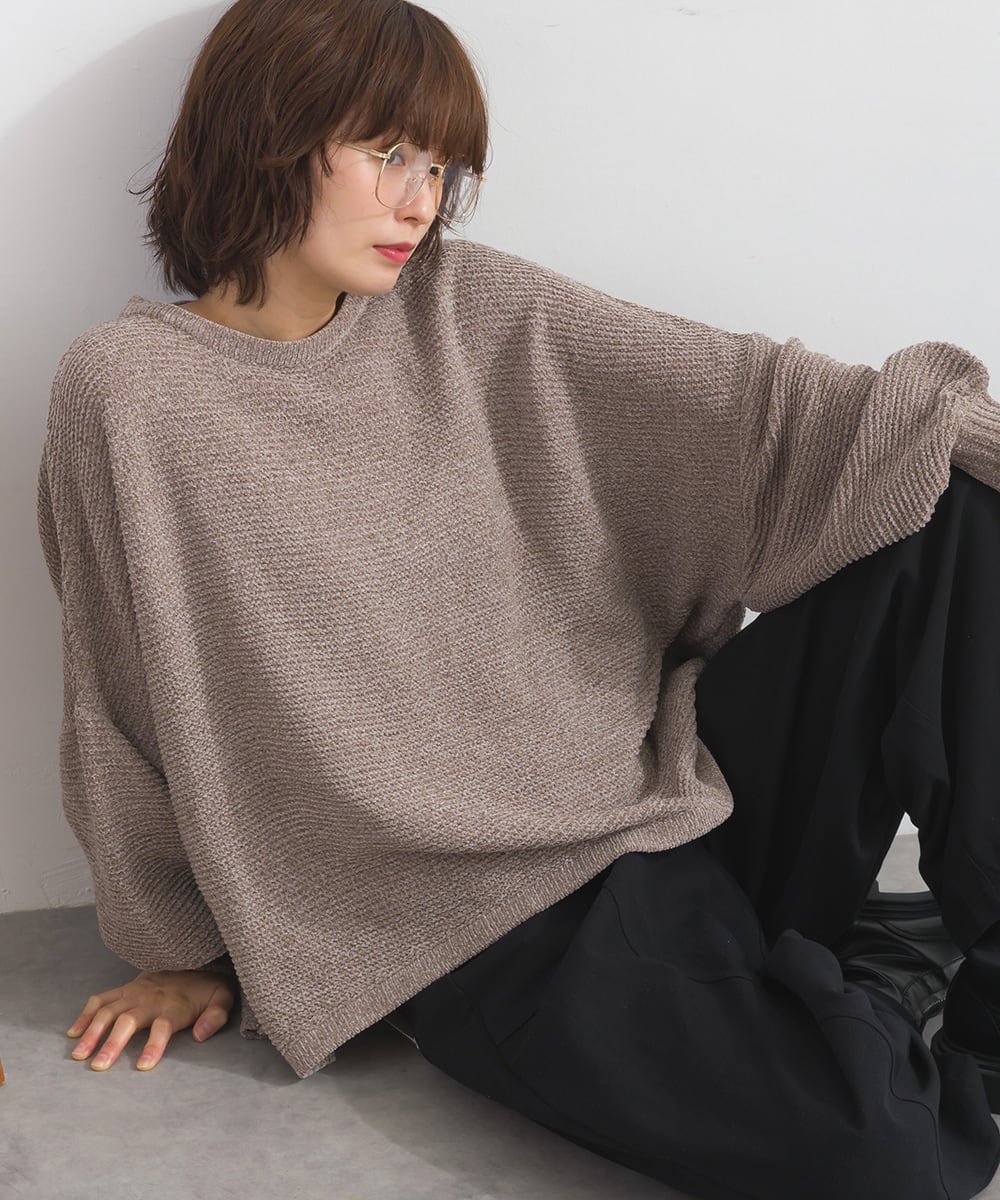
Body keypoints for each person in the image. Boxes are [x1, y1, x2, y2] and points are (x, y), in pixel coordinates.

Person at [35, 1, 1000, 1197]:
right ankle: (854, 984)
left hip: (666, 796)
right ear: (265, 134)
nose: (420, 201)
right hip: (477, 925)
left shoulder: (465, 304)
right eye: (388, 153)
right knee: (890, 1158)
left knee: (947, 505)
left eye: (441, 167)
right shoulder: (132, 392)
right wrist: (179, 948)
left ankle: (924, 996)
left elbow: (772, 406)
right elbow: (119, 696)